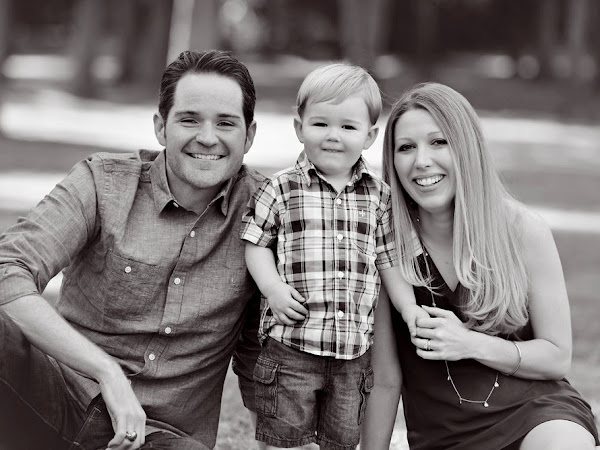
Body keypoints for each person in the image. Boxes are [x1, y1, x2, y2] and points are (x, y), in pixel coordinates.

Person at [0, 49, 266, 450]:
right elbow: (8, 268)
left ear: (249, 135)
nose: (208, 137)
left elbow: (268, 348)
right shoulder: (103, 184)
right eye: (189, 119)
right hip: (56, 396)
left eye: (225, 123)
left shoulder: (267, 215)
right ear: (161, 127)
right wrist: (106, 372)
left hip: (160, 436)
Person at [361, 82, 600, 449]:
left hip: (537, 415)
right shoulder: (385, 247)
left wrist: (470, 343)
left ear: (467, 147)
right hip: (444, 437)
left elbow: (556, 357)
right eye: (406, 147)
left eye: (439, 142)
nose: (421, 160)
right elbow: (385, 379)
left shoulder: (522, 230)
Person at [241, 63, 426, 450]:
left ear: (369, 136)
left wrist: (409, 308)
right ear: (299, 128)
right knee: (283, 438)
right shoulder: (281, 188)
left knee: (340, 440)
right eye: (320, 123)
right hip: (292, 343)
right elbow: (256, 243)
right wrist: (273, 289)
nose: (333, 136)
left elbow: (388, 261)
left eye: (347, 127)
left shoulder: (379, 197)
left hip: (352, 353)